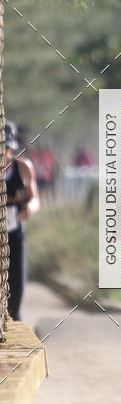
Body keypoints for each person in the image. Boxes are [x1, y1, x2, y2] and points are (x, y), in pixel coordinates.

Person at [4, 121, 40, 320]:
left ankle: (14, 320)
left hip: (15, 233)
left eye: (6, 148)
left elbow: (34, 198)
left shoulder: (23, 167)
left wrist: (29, 208)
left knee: (16, 286)